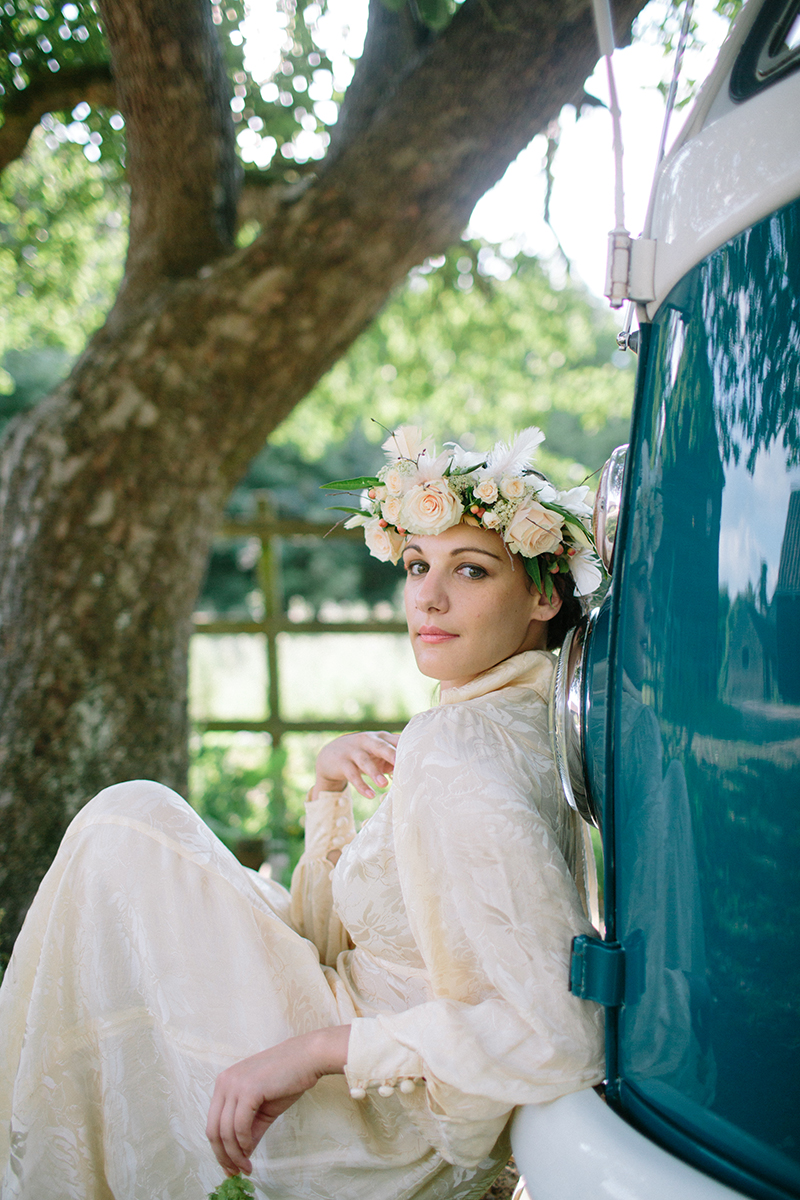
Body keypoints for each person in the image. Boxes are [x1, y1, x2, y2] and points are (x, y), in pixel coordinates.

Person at [0, 425, 605, 1200]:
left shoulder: (460, 747)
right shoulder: (508, 720)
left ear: (544, 595)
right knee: (124, 837)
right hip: (349, 1013)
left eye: (472, 570)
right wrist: (327, 795)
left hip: (378, 1109)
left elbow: (562, 1031)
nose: (429, 594)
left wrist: (316, 1051)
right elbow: (331, 938)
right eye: (418, 565)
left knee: (124, 831)